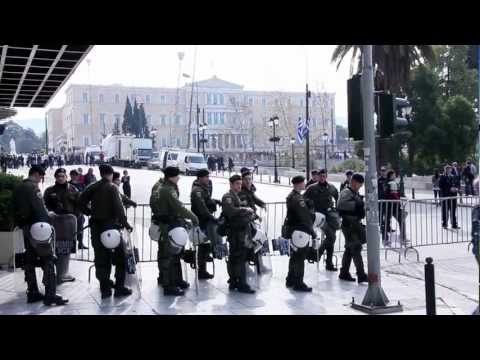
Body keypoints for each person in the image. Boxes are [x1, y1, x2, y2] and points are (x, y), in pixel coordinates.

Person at [12, 165, 68, 305]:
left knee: (29, 261)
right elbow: (40, 210)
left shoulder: (18, 187)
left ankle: (33, 292)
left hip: (25, 228)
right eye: (41, 177)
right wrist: (49, 217)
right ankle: (51, 295)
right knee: (48, 259)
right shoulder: (33, 187)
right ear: (36, 174)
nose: (41, 180)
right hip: (38, 228)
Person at [78, 164, 133, 299]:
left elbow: (80, 202)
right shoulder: (112, 187)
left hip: (96, 227)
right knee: (120, 257)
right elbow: (119, 209)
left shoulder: (92, 186)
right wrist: (126, 224)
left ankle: (105, 289)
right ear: (111, 173)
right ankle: (119, 287)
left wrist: (89, 212)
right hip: (111, 227)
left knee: (101, 258)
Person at [150, 166, 199, 296]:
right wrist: (193, 217)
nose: (179, 178)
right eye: (177, 175)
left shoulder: (163, 187)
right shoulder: (167, 190)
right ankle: (169, 285)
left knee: (176, 255)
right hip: (168, 227)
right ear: (172, 176)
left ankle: (176, 280)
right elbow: (179, 207)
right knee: (169, 257)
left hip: (172, 225)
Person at [43, 168, 80, 284]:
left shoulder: (73, 189)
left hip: (69, 224)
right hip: (54, 224)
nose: (60, 178)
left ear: (66, 177)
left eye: (62, 176)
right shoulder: (49, 191)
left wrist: (75, 216)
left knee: (66, 249)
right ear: (55, 177)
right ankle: (50, 275)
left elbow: (79, 204)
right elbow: (45, 205)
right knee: (53, 250)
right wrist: (49, 213)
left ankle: (63, 273)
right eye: (58, 176)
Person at [221, 175, 257, 293]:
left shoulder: (236, 196)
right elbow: (231, 211)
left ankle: (234, 281)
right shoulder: (228, 197)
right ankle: (241, 283)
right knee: (239, 257)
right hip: (235, 231)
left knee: (236, 256)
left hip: (240, 230)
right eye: (237, 183)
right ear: (231, 184)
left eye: (240, 184)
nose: (239, 186)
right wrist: (245, 210)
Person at [284, 175, 316, 292]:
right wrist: (312, 231)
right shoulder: (298, 199)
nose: (304, 184)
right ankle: (298, 283)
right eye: (303, 183)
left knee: (294, 256)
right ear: (298, 184)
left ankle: (290, 279)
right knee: (299, 257)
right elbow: (305, 217)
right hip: (300, 231)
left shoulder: (293, 196)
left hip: (294, 230)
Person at [304, 169, 339, 271]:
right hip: (318, 216)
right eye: (321, 176)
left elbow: (338, 199)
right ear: (318, 177)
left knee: (331, 238)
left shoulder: (331, 187)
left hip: (329, 216)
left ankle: (326, 261)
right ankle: (317, 255)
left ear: (326, 176)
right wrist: (310, 208)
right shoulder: (312, 188)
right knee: (331, 237)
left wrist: (336, 211)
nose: (322, 178)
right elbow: (304, 198)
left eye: (324, 176)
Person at [337, 173, 368, 283]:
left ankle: (344, 272)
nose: (360, 186)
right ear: (354, 182)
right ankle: (361, 274)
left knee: (350, 249)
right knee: (355, 247)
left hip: (353, 223)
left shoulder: (353, 192)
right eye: (359, 184)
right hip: (349, 224)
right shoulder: (346, 192)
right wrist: (357, 204)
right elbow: (341, 204)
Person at [190, 169, 219, 280]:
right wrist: (213, 218)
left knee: (205, 245)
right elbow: (202, 208)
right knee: (202, 246)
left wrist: (215, 201)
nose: (208, 179)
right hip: (201, 221)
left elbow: (207, 200)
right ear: (200, 178)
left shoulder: (202, 189)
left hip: (205, 220)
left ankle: (203, 270)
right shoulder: (197, 190)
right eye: (206, 177)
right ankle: (201, 271)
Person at [384, 170, 406, 245]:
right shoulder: (391, 183)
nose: (395, 176)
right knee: (400, 220)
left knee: (387, 222)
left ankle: (385, 238)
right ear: (390, 176)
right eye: (394, 175)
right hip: (393, 205)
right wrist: (398, 200)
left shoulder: (387, 183)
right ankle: (402, 237)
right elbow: (394, 194)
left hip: (390, 205)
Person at [68, 170, 88, 249]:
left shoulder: (81, 184)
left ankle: (80, 243)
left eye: (76, 175)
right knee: (70, 228)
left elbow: (85, 195)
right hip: (70, 210)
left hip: (79, 210)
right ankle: (72, 244)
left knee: (80, 227)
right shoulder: (68, 185)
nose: (74, 176)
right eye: (72, 175)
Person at [439, 165, 460, 230]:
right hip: (445, 196)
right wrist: (449, 189)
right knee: (445, 211)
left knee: (453, 211)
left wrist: (456, 189)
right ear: (445, 170)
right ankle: (444, 224)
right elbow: (441, 186)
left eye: (450, 169)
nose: (449, 170)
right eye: (447, 169)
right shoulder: (442, 177)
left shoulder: (453, 176)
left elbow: (457, 184)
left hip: (453, 196)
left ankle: (454, 224)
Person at [378, 166, 390, 242]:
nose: (383, 171)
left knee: (387, 215)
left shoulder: (387, 180)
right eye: (382, 170)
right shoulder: (378, 180)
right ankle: (382, 228)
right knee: (381, 215)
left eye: (384, 170)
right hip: (380, 200)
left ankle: (387, 227)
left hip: (387, 200)